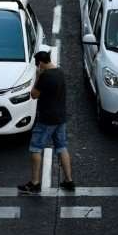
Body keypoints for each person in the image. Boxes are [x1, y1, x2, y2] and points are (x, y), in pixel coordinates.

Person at [17, 51, 75, 194]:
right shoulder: (60, 72)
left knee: (36, 148)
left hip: (46, 118)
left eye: (38, 64)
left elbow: (34, 95)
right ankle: (69, 181)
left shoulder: (45, 76)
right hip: (60, 117)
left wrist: (38, 77)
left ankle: (35, 183)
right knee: (62, 147)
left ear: (41, 63)